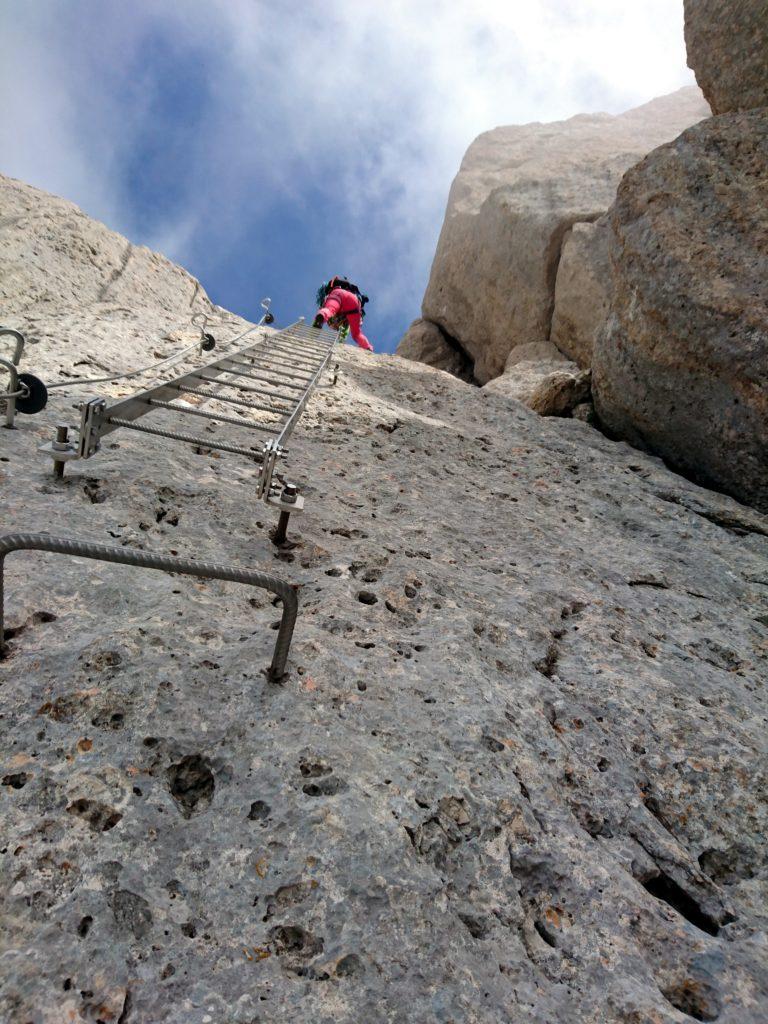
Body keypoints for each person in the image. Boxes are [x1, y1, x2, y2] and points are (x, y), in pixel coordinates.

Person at [313, 276, 373, 351]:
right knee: (356, 333)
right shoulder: (354, 291)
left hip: (338, 293)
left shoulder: (335, 286)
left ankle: (322, 315)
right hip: (354, 301)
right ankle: (367, 346)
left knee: (330, 309)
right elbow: (347, 327)